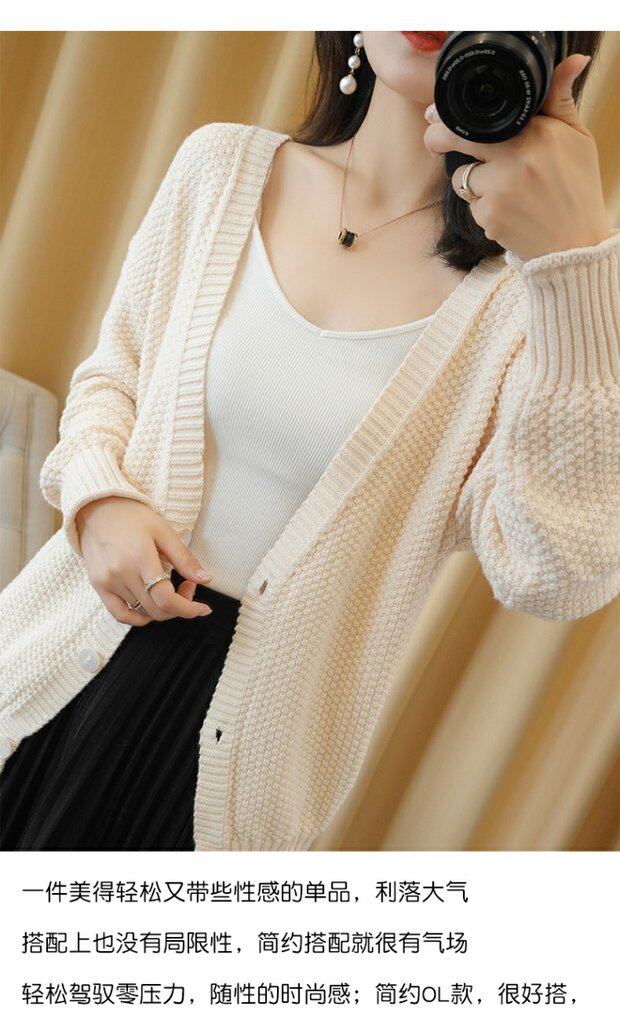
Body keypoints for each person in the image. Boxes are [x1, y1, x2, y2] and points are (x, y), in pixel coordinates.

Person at [0, 31, 618, 851]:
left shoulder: (530, 307)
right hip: (44, 673)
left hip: (228, 780)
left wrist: (573, 268)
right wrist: (97, 501)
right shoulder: (219, 168)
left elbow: (560, 572)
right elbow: (112, 378)